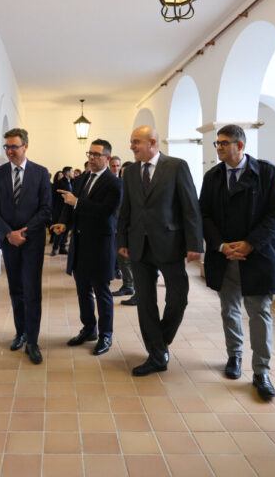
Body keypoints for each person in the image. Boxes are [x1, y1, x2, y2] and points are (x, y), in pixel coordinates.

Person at [199, 124, 275, 400]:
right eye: (217, 143)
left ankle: (261, 371)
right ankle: (234, 356)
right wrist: (222, 245)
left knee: (260, 313)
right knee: (230, 309)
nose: (219, 147)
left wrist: (250, 243)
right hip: (225, 256)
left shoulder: (267, 172)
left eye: (224, 143)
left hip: (257, 255)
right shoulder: (212, 177)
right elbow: (205, 215)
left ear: (240, 145)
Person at [117, 126, 203, 376]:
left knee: (178, 297)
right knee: (145, 302)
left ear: (152, 142)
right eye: (131, 142)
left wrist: (194, 244)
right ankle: (157, 355)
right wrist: (121, 238)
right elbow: (127, 209)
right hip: (139, 247)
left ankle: (161, 340)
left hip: (170, 245)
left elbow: (190, 207)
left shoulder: (176, 166)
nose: (132, 146)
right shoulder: (131, 172)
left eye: (136, 142)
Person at [0, 128, 52, 365]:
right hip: (9, 242)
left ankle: (33, 341)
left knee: (32, 291)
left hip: (32, 242)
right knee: (16, 290)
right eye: (7, 147)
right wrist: (8, 233)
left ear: (25, 146)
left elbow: (46, 209)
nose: (10, 151)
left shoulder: (41, 173)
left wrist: (23, 232)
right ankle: (20, 332)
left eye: (14, 146)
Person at [52, 139, 122, 355]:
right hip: (80, 245)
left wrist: (78, 203)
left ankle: (105, 335)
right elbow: (69, 206)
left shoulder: (114, 183)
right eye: (90, 153)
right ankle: (89, 328)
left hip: (101, 245)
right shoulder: (81, 179)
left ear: (107, 158)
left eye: (97, 154)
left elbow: (106, 211)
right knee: (82, 290)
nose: (91, 157)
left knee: (101, 292)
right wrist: (64, 222)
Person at [113, 160, 136, 300]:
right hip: (120, 229)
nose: (124, 174)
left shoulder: (136, 189)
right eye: (123, 172)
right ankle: (128, 285)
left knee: (132, 262)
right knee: (122, 259)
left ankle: (135, 290)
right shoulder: (121, 187)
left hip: (132, 231)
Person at [51, 167, 73, 255]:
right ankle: (55, 248)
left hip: (69, 210)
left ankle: (62, 248)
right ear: (67, 172)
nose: (73, 173)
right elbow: (54, 197)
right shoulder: (59, 183)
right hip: (60, 210)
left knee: (66, 230)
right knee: (59, 230)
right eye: (71, 171)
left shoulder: (71, 182)